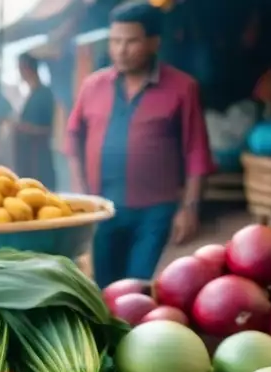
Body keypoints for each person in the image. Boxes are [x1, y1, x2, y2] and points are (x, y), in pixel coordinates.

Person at [66, 0, 215, 288]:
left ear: (154, 42)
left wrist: (190, 209)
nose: (120, 50)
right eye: (115, 40)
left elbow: (196, 151)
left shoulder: (183, 88)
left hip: (155, 211)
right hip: (101, 208)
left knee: (137, 285)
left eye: (131, 41)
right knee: (103, 285)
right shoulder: (92, 85)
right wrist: (79, 190)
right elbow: (72, 136)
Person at [13, 54, 57, 190]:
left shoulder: (44, 94)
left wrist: (23, 127)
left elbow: (48, 129)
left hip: (39, 163)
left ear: (27, 69)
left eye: (20, 68)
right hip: (28, 163)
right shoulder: (31, 94)